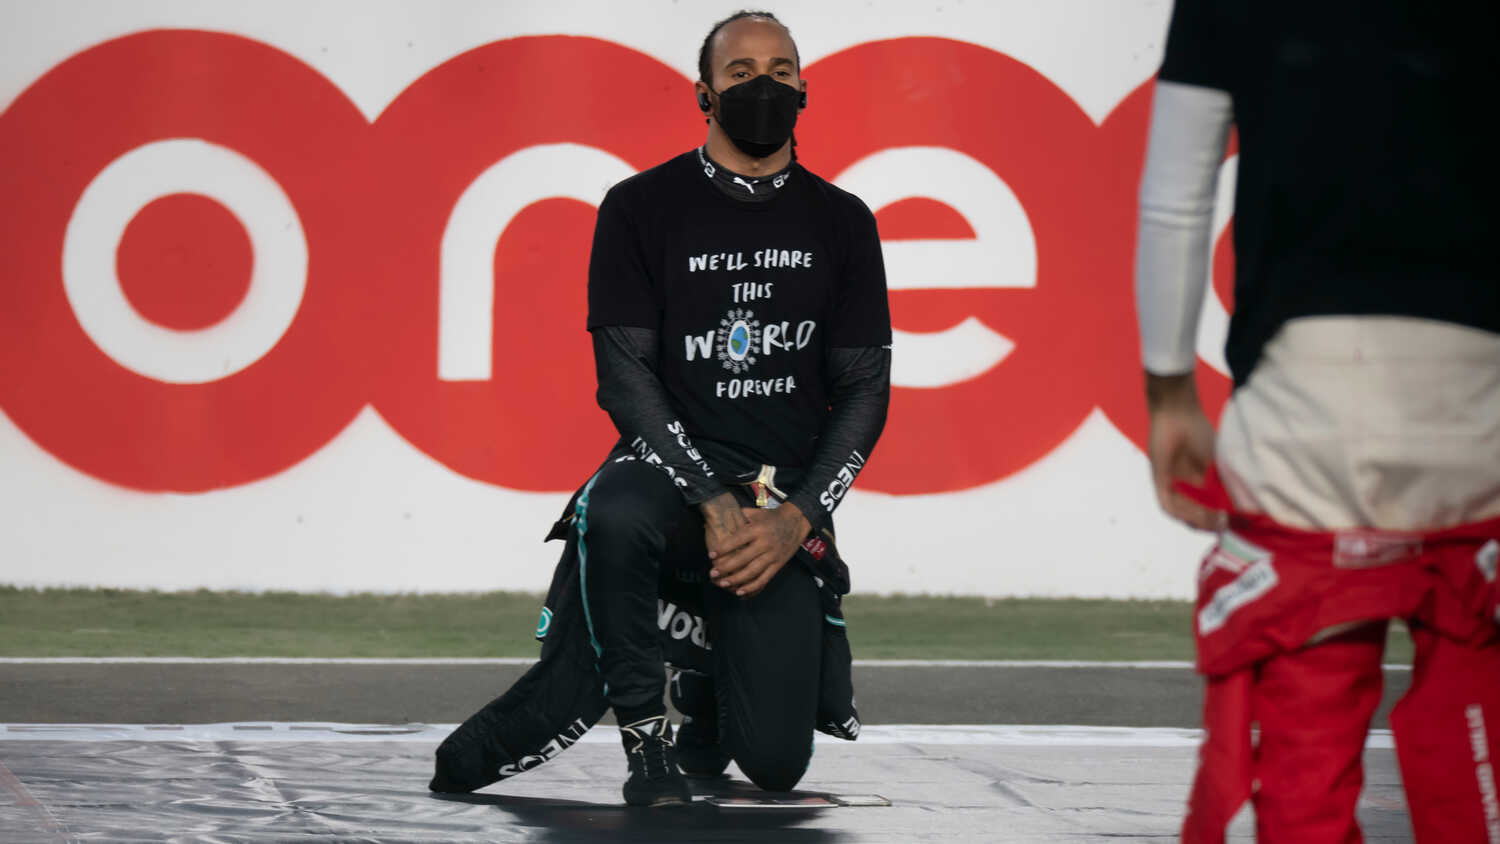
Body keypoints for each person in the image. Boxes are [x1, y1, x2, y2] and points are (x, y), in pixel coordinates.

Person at [429, 9, 890, 808]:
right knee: (611, 514)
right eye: (740, 73)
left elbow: (864, 389)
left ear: (805, 91)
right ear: (704, 94)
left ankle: (703, 688)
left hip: (776, 502)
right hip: (668, 476)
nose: (762, 87)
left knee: (774, 763)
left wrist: (799, 519)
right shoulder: (640, 206)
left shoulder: (844, 221)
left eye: (780, 72)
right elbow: (624, 378)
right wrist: (709, 498)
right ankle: (647, 747)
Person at [1135, 1, 1500, 841]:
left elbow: (1176, 197)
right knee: (1478, 764)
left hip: (1309, 398)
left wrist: (1169, 390)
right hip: (1482, 393)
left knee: (1299, 780)